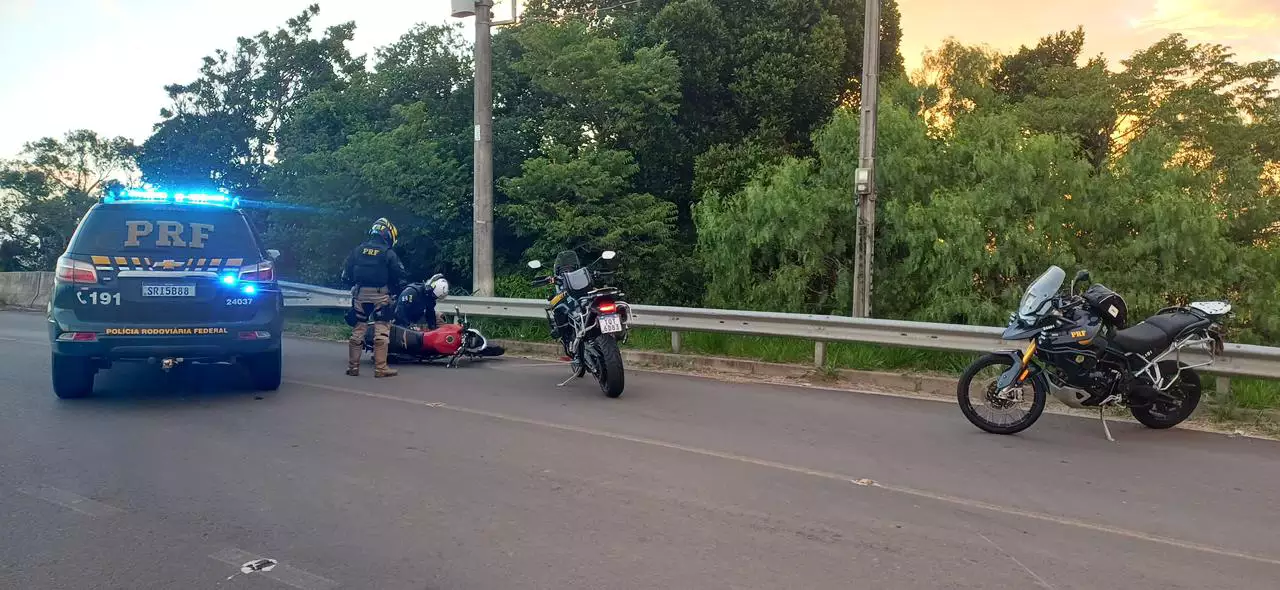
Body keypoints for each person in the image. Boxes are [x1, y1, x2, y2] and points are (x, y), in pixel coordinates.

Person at [341, 217, 406, 378]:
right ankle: (380, 368)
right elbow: (399, 275)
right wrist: (396, 291)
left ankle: (353, 367)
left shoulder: (358, 250)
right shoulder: (388, 253)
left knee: (358, 329)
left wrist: (354, 285)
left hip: (360, 294)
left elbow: (345, 273)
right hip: (380, 295)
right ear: (387, 234)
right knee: (382, 330)